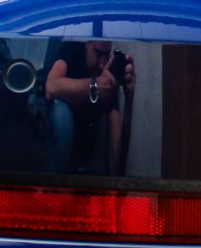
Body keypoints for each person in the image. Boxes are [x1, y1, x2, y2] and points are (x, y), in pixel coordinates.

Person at [35, 41, 135, 175]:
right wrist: (94, 86)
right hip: (57, 153)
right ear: (87, 45)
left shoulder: (107, 74)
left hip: (88, 158)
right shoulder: (71, 51)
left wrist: (129, 98)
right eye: (98, 53)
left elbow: (117, 158)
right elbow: (51, 87)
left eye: (106, 55)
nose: (102, 64)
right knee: (61, 111)